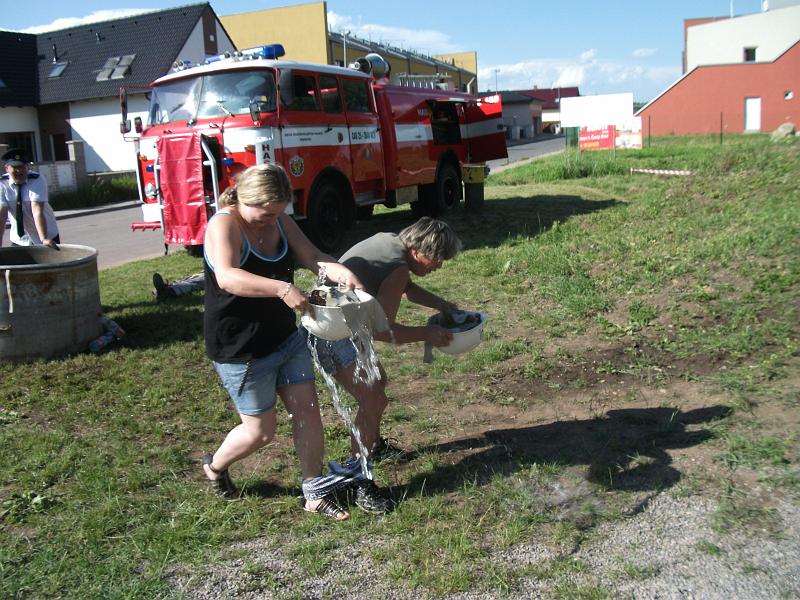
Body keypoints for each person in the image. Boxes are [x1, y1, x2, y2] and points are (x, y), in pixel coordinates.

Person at [202, 163, 366, 521]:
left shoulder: (278, 219)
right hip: (239, 347)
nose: (270, 220)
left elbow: (312, 256)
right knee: (260, 432)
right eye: (263, 214)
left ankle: (313, 491)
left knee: (307, 411)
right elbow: (228, 277)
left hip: (285, 338)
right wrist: (281, 288)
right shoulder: (224, 224)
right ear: (243, 199)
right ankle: (214, 466)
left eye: (277, 213)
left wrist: (341, 271)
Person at [306, 217, 461, 511]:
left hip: (326, 315)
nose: (439, 265)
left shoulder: (391, 243)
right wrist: (427, 334)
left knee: (377, 384)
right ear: (417, 250)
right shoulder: (398, 266)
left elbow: (406, 288)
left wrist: (441, 304)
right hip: (328, 329)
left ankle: (372, 443)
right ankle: (359, 481)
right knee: (373, 396)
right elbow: (383, 330)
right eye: (437, 258)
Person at [0, 148, 60, 248]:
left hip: (47, 235)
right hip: (19, 239)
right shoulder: (2, 183)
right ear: (7, 169)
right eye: (15, 167)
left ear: (27, 167)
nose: (19, 171)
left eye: (22, 166)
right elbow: (2, 216)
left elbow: (37, 211)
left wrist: (43, 239)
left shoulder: (37, 179)